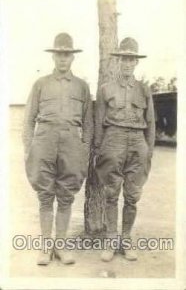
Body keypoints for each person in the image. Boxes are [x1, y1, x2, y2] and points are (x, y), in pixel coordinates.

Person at [22, 33, 93, 265]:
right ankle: (45, 248)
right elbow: (29, 119)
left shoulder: (82, 86)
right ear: (53, 57)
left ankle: (60, 247)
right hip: (44, 140)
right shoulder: (41, 84)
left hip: (71, 142)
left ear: (72, 57)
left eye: (67, 55)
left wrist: (84, 149)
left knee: (65, 195)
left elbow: (89, 122)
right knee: (45, 195)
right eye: (59, 54)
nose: (63, 59)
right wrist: (29, 147)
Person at [94, 37, 155, 262]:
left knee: (132, 196)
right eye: (124, 59)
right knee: (111, 193)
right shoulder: (106, 89)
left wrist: (149, 151)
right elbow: (99, 121)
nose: (127, 63)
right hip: (113, 140)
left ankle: (126, 240)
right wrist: (100, 149)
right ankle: (111, 241)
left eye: (131, 60)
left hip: (138, 142)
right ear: (118, 61)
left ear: (136, 62)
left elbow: (151, 123)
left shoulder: (144, 90)